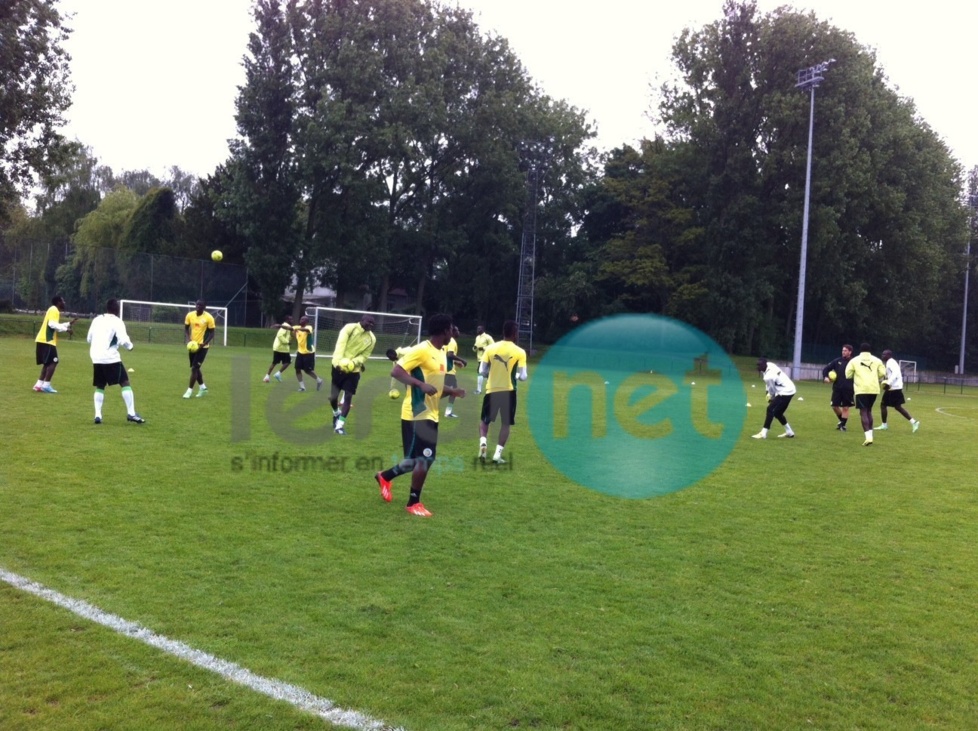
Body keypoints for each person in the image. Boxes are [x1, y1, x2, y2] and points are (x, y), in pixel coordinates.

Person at [374, 314, 464, 517]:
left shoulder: (440, 353)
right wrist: (419, 384)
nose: (452, 333)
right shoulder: (422, 350)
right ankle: (413, 502)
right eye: (451, 329)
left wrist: (452, 391)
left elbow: (435, 387)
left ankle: (384, 476)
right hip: (416, 413)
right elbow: (396, 372)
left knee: (417, 460)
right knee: (425, 458)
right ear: (444, 331)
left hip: (431, 414)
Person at [86, 298, 144, 424]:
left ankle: (98, 416)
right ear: (117, 309)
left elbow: (89, 338)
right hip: (110, 358)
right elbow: (123, 339)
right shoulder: (118, 322)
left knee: (100, 386)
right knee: (124, 382)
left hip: (96, 357)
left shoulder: (97, 319)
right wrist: (130, 347)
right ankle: (131, 413)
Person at [478, 319, 528, 463]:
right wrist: (516, 376)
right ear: (515, 333)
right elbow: (523, 376)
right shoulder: (519, 351)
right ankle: (497, 455)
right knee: (505, 423)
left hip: (491, 390)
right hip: (509, 391)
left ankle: (483, 443)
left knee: (485, 421)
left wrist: (492, 375)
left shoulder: (491, 348)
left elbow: (482, 371)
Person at [329, 314, 377, 434]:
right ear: (362, 320)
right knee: (333, 397)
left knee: (348, 396)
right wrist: (338, 364)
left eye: (372, 324)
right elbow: (340, 346)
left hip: (354, 371)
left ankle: (339, 426)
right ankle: (336, 413)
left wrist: (353, 363)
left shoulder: (372, 339)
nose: (370, 325)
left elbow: (364, 356)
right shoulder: (349, 328)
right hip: (338, 367)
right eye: (368, 322)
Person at [33, 295, 78, 393]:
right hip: (47, 340)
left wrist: (69, 324)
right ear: (58, 302)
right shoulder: (54, 310)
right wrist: (67, 329)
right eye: (63, 301)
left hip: (42, 339)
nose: (64, 303)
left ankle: (39, 384)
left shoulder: (52, 310)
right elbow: (52, 325)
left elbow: (54, 324)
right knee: (54, 361)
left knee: (47, 363)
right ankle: (46, 385)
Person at [844, 342, 887, 446]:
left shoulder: (854, 360)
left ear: (860, 350)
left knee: (863, 412)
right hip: (874, 389)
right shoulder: (877, 360)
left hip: (861, 389)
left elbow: (848, 375)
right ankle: (870, 436)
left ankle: (868, 437)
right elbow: (882, 373)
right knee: (869, 411)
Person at [751, 358, 797, 439]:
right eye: (757, 365)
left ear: (765, 364)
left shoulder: (769, 376)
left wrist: (771, 398)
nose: (758, 367)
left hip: (786, 391)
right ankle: (789, 432)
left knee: (770, 409)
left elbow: (772, 389)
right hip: (790, 388)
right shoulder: (770, 365)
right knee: (778, 413)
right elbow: (769, 385)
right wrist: (767, 393)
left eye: (760, 365)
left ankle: (763, 433)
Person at [879, 349, 920, 433]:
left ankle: (884, 425)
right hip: (895, 387)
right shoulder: (889, 362)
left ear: (889, 355)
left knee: (885, 405)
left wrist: (888, 383)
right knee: (895, 406)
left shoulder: (891, 362)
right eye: (882, 354)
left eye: (884, 354)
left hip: (893, 388)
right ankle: (914, 422)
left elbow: (895, 373)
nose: (883, 356)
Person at [184, 299, 216, 398]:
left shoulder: (209, 318)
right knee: (195, 368)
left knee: (194, 368)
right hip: (193, 346)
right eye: (197, 305)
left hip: (203, 347)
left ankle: (189, 391)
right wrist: (188, 339)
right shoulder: (190, 315)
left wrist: (204, 343)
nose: (198, 307)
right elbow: (186, 328)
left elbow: (212, 333)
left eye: (200, 305)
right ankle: (203, 388)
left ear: (204, 307)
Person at [822, 344, 854, 431]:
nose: (843, 352)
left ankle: (842, 425)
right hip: (837, 388)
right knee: (834, 406)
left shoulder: (853, 362)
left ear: (850, 352)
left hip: (848, 388)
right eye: (843, 350)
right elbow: (826, 369)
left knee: (845, 407)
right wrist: (825, 377)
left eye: (845, 350)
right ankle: (842, 422)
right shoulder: (837, 361)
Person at [293, 316, 323, 393]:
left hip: (308, 352)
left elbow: (305, 330)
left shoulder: (309, 327)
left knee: (307, 370)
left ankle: (319, 380)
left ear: (306, 322)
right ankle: (302, 387)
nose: (301, 320)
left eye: (303, 319)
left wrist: (296, 329)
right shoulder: (298, 327)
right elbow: (290, 328)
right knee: (297, 369)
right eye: (301, 318)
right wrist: (280, 326)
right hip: (300, 352)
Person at [442, 325, 468, 418]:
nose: (458, 332)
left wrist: (456, 362)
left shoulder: (447, 341)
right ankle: (447, 412)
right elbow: (450, 355)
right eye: (457, 330)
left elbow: (446, 356)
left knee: (450, 391)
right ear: (452, 332)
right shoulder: (452, 341)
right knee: (452, 392)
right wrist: (463, 360)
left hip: (445, 369)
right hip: (449, 372)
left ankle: (448, 411)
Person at [263, 316, 294, 383]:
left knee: (274, 363)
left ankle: (267, 376)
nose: (292, 320)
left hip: (278, 347)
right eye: (291, 319)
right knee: (288, 361)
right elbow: (280, 335)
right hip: (282, 348)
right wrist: (287, 342)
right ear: (287, 320)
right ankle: (278, 374)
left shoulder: (285, 326)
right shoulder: (286, 326)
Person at [473, 325, 494, 394]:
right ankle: (491, 389)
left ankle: (479, 390)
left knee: (480, 373)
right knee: (487, 374)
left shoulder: (487, 337)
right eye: (477, 329)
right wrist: (474, 348)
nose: (478, 330)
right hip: (479, 358)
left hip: (486, 358)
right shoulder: (477, 337)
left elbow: (493, 346)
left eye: (479, 329)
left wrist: (484, 348)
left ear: (483, 329)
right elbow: (475, 347)